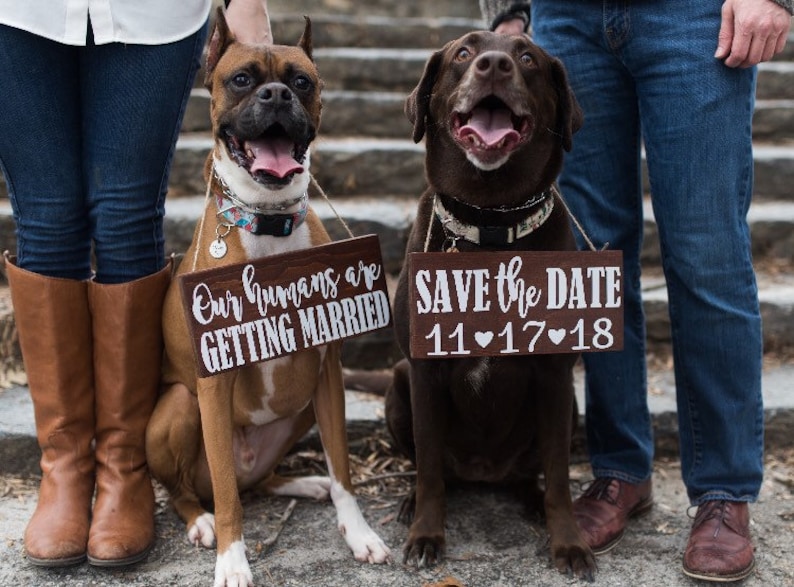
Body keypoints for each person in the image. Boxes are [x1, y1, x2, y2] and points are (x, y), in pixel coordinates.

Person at [481, 0, 792, 582]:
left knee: (709, 255)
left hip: (696, 16)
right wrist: (510, 11)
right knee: (593, 259)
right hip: (566, 20)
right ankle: (620, 469)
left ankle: (723, 490)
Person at [0, 0, 270, 569]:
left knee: (124, 215)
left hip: (153, 14)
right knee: (46, 218)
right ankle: (64, 471)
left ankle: (125, 467)